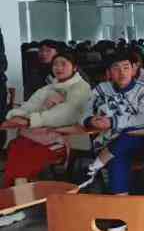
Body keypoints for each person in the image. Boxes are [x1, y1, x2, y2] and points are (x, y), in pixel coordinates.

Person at [1, 53, 91, 198]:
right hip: (34, 137)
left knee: (20, 160)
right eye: (55, 64)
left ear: (74, 67)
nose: (58, 68)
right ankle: (18, 202)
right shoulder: (48, 88)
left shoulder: (81, 88)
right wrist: (17, 115)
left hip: (62, 140)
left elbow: (66, 113)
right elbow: (30, 106)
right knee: (16, 151)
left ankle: (19, 203)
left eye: (64, 64)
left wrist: (30, 120)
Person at [81, 52, 144, 198]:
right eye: (116, 68)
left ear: (133, 69)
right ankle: (121, 210)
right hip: (111, 141)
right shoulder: (101, 89)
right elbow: (83, 109)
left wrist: (113, 122)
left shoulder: (143, 89)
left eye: (126, 67)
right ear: (109, 72)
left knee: (131, 132)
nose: (122, 72)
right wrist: (90, 120)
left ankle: (97, 163)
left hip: (142, 140)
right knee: (117, 159)